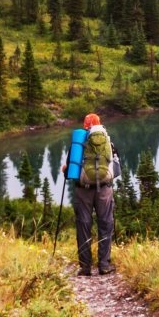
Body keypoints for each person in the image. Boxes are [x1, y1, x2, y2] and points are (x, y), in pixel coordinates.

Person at [63, 112, 116, 276]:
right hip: (105, 190)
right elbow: (116, 167)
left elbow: (69, 171)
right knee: (105, 224)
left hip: (83, 190)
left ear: (85, 126)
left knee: (83, 224)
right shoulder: (108, 142)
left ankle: (85, 267)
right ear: (99, 124)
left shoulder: (78, 144)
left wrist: (65, 170)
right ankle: (104, 265)